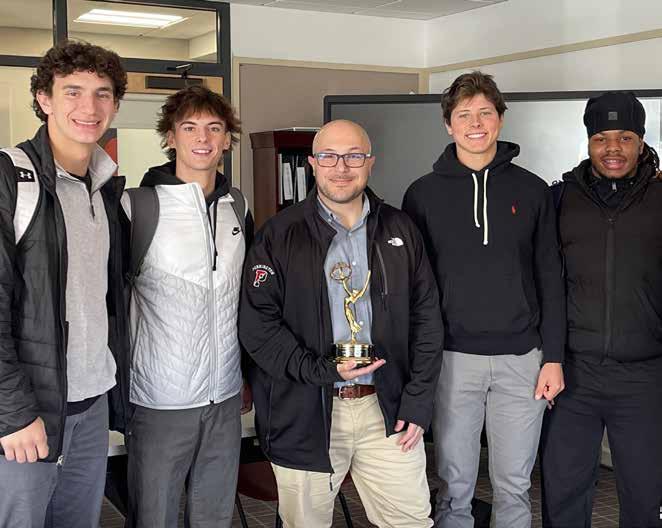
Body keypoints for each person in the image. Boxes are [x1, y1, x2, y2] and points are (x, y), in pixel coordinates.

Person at [239, 119, 443, 528]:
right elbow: (258, 328)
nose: (342, 167)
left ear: (370, 162)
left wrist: (419, 402)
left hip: (387, 411)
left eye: (354, 156)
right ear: (313, 163)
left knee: (411, 522)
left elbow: (427, 321)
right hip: (305, 411)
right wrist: (323, 370)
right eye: (329, 156)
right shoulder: (279, 234)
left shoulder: (400, 229)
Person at [402, 71, 565, 528]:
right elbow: (415, 288)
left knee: (514, 485)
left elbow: (551, 278)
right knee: (454, 486)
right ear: (448, 125)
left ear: (500, 119)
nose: (475, 124)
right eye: (464, 115)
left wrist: (553, 358)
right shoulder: (422, 194)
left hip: (523, 360)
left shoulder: (533, 190)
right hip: (452, 360)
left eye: (485, 113)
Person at [0, 40, 130, 527]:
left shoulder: (105, 187)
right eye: (72, 91)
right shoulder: (11, 178)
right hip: (28, 412)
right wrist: (12, 412)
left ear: (115, 105)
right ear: (44, 99)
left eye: (102, 93)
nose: (88, 107)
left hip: (91, 403)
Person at [122, 85, 253, 528]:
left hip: (225, 397)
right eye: (190, 127)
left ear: (227, 140)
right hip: (160, 399)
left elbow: (246, 300)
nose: (203, 138)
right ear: (170, 136)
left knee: (214, 516)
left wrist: (245, 375)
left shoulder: (238, 206)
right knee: (153, 517)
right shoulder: (136, 207)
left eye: (214, 128)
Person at [540, 91, 662, 528]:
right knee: (563, 493)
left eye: (625, 137)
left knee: (645, 495)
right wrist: (550, 357)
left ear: (641, 142)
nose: (613, 148)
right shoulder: (559, 200)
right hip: (574, 374)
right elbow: (546, 285)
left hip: (645, 375)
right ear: (589, 142)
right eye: (602, 138)